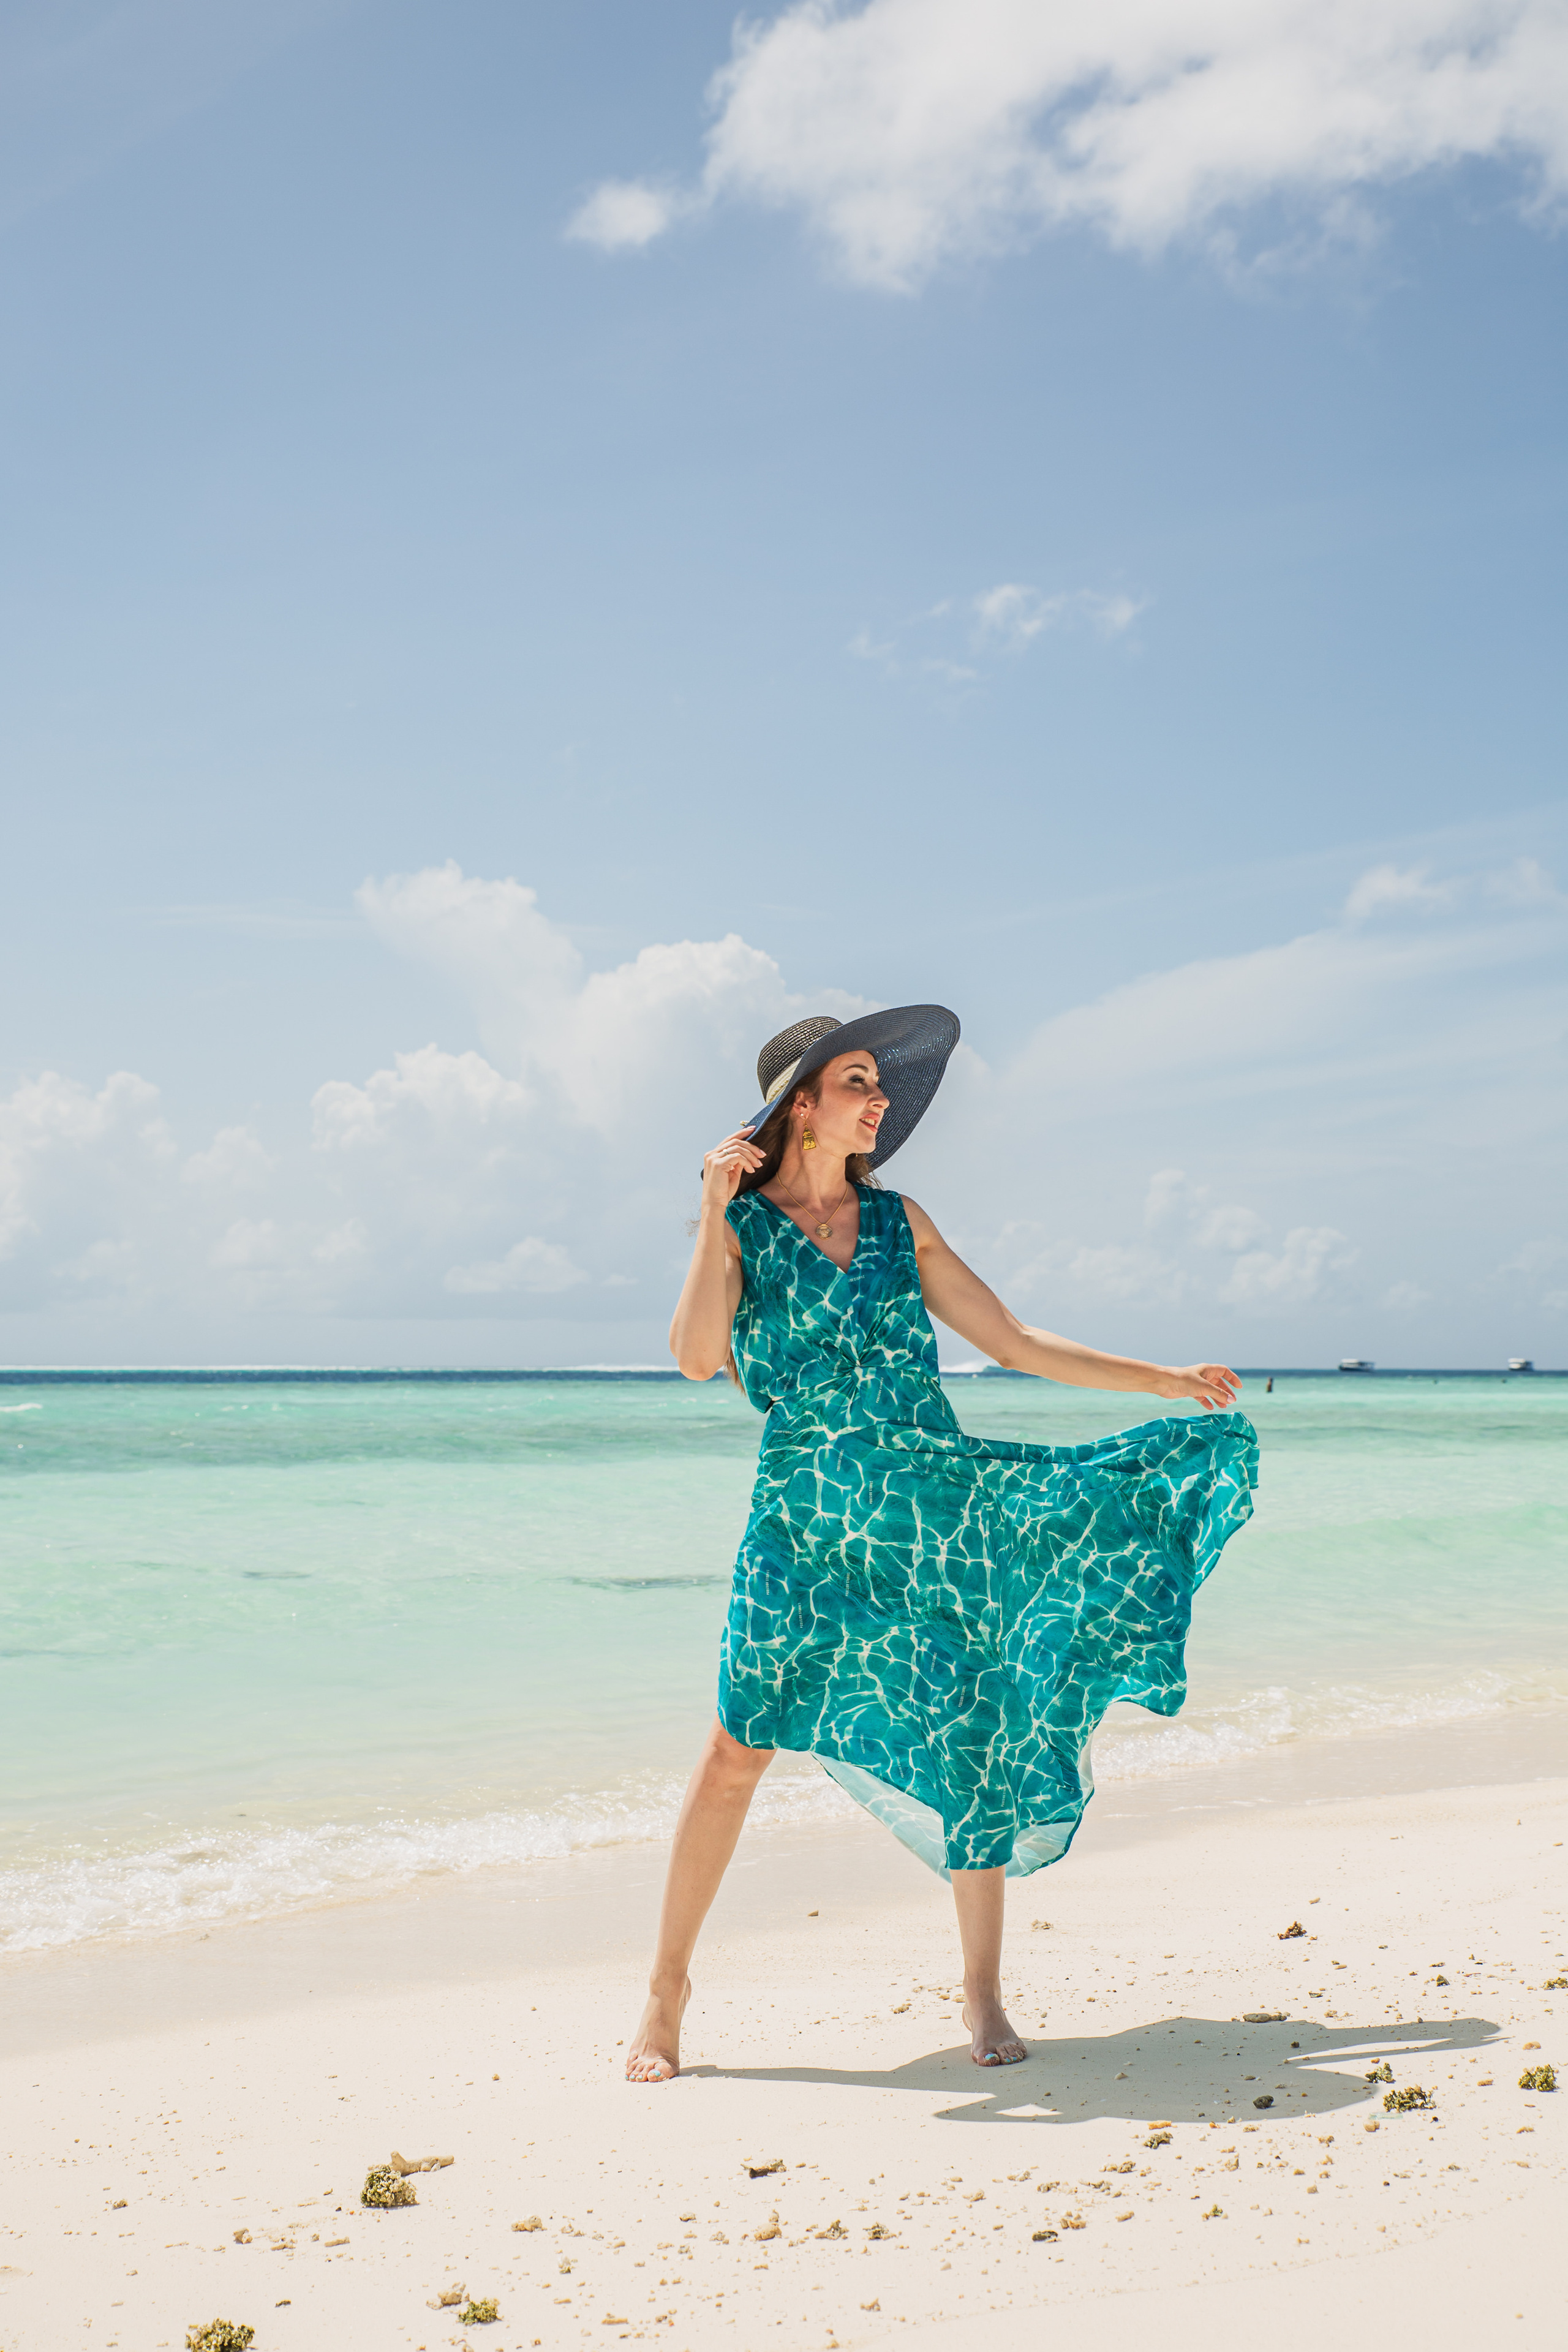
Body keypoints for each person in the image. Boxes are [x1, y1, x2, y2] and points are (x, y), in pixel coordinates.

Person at [626, 1006, 1256, 2082]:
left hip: (934, 1518)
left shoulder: (898, 1221)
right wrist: (711, 1207)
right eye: (859, 1083)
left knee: (974, 1744)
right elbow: (694, 1359)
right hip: (806, 1527)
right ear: (799, 1107)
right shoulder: (740, 1228)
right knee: (737, 1750)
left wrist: (1161, 1378)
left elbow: (1009, 1339)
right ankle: (665, 1992)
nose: (880, 1102)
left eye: (879, 1084)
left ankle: (982, 1993)